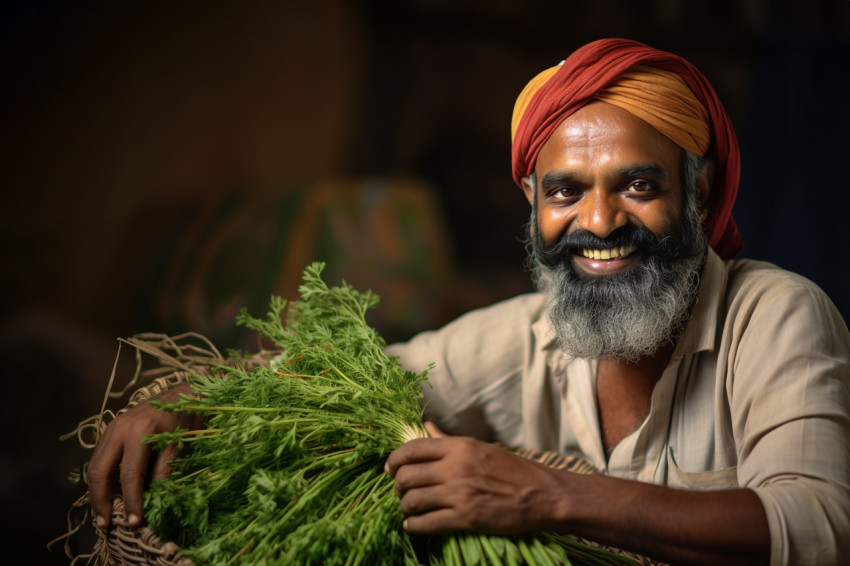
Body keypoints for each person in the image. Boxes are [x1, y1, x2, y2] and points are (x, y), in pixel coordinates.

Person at [88, 38, 850, 565]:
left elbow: (819, 528)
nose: (599, 222)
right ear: (532, 203)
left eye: (639, 185)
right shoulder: (523, 337)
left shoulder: (778, 315)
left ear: (700, 190)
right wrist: (201, 400)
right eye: (565, 192)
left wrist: (549, 496)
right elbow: (368, 376)